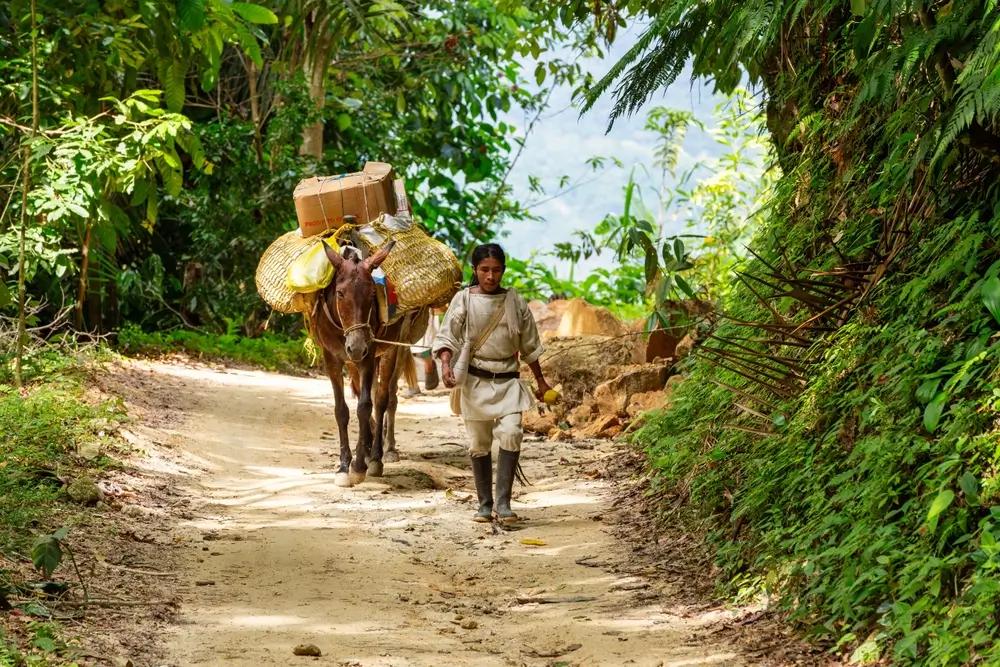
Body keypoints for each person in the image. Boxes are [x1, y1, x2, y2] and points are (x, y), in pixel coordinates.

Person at [433, 244, 552, 523]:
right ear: (475, 270)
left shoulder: (515, 302)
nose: (490, 276)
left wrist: (542, 382)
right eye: (484, 270)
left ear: (503, 271)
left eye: (496, 270)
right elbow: (447, 336)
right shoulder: (463, 299)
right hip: (474, 382)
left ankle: (504, 504)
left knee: (512, 433)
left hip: (509, 381)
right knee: (479, 443)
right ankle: (485, 506)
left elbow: (530, 346)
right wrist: (446, 364)